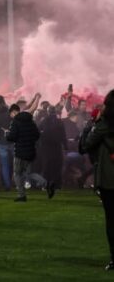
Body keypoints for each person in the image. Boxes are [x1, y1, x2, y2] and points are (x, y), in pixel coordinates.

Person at [80, 88, 114, 271]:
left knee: (112, 220)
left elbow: (86, 144)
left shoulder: (103, 125)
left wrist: (94, 122)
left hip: (109, 180)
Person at [5, 103, 40, 202]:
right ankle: (46, 183)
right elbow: (37, 135)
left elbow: (12, 137)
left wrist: (7, 134)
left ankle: (21, 195)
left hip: (20, 152)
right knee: (28, 173)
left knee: (17, 173)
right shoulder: (31, 121)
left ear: (14, 112)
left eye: (11, 114)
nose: (11, 116)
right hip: (30, 151)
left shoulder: (15, 122)